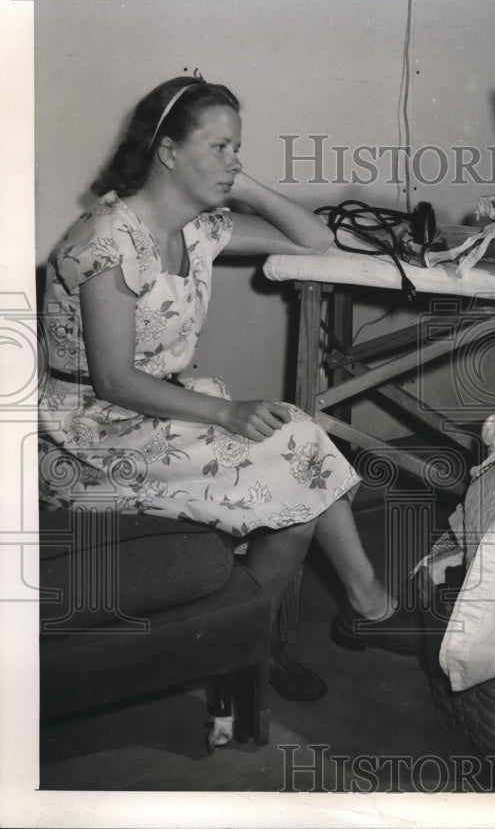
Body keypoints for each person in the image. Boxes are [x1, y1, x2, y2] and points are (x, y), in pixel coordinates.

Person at [37, 74, 417, 703]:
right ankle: (362, 610)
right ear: (167, 153)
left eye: (236, 147)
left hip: (156, 407)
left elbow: (315, 240)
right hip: (91, 432)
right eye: (219, 147)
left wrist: (245, 185)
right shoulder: (107, 239)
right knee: (297, 443)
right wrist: (227, 412)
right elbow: (113, 379)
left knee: (296, 489)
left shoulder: (196, 229)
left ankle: (251, 651)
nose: (234, 160)